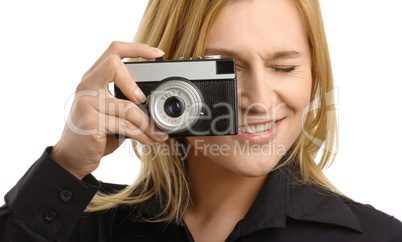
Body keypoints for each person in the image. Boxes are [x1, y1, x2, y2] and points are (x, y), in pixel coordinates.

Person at [1, 0, 402, 241]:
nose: (260, 102)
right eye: (224, 69)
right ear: (161, 76)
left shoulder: (380, 237)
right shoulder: (84, 229)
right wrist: (66, 166)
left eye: (283, 67)